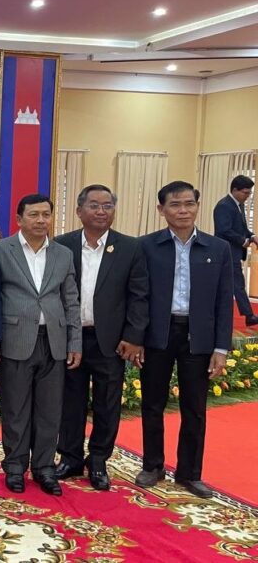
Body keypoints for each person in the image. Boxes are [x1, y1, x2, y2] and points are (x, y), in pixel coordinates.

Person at [136, 181, 232, 499]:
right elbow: (137, 296)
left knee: (195, 407)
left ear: (197, 206)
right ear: (161, 209)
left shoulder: (218, 248)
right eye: (175, 205)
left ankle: (190, 473)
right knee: (152, 403)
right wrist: (136, 338)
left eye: (189, 203)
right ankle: (152, 465)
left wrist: (221, 348)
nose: (183, 210)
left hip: (198, 336)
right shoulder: (146, 246)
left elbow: (224, 302)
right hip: (158, 335)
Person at [54, 185, 149, 490]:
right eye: (94, 205)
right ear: (79, 211)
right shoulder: (62, 245)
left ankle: (97, 460)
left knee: (107, 403)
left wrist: (133, 336)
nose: (101, 211)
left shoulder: (130, 247)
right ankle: (69, 457)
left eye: (107, 206)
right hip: (72, 338)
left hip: (111, 340)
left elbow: (139, 296)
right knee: (70, 401)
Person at [0, 194, 81, 496]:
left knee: (49, 411)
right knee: (16, 409)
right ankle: (15, 467)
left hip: (54, 341)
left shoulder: (62, 254)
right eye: (34, 215)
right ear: (19, 219)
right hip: (15, 339)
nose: (41, 220)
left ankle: (44, 467)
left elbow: (71, 300)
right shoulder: (1, 251)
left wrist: (75, 341)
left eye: (46, 214)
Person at [213, 175, 258, 326]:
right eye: (245, 193)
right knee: (237, 283)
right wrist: (243, 241)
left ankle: (247, 315)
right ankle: (249, 315)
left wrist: (252, 236)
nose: (248, 196)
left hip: (234, 252)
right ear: (234, 190)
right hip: (226, 251)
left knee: (230, 284)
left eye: (249, 193)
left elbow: (242, 227)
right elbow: (224, 230)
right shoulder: (224, 206)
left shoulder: (239, 205)